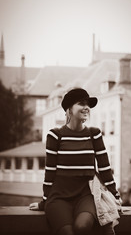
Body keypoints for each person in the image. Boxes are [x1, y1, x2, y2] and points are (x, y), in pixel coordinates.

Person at [29, 88, 121, 235]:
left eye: (88, 104)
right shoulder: (55, 135)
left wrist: (115, 196)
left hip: (85, 196)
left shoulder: (94, 134)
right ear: (69, 110)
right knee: (67, 232)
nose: (86, 107)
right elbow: (50, 172)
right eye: (81, 103)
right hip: (58, 197)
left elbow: (104, 168)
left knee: (82, 227)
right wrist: (44, 202)